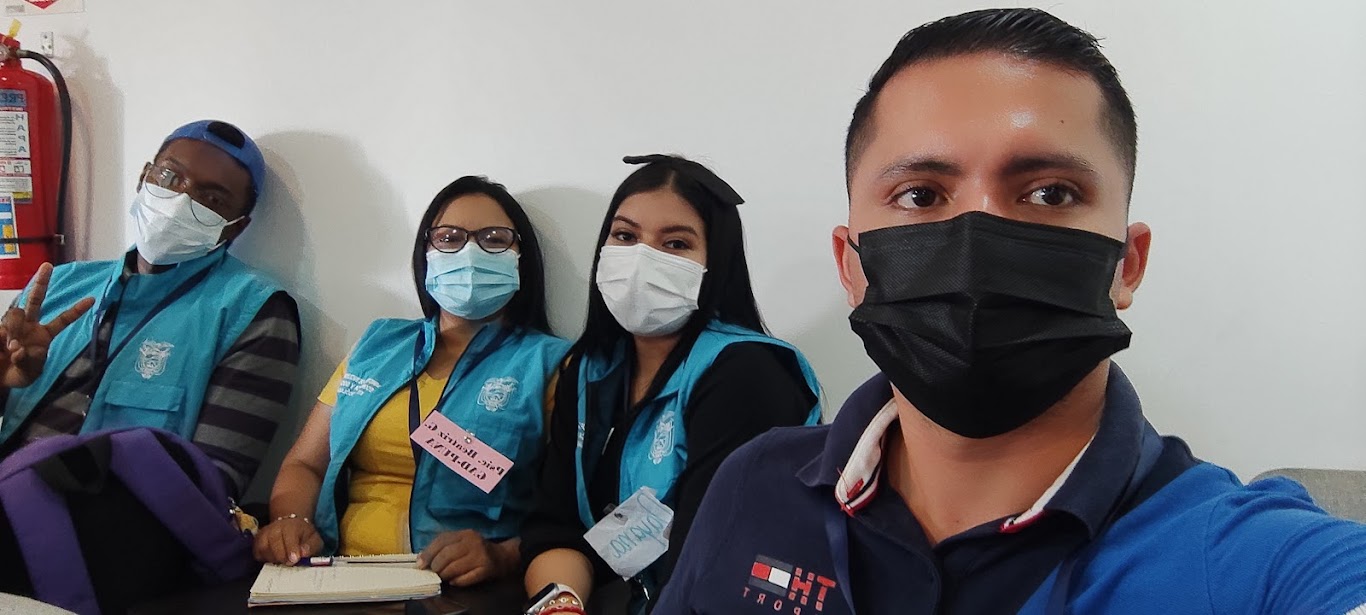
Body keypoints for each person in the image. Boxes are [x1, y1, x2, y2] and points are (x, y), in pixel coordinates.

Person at [657, 8, 1366, 615]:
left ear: (1127, 264)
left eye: (1050, 193)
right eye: (920, 195)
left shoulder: (1252, 562)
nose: (976, 241)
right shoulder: (754, 482)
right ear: (850, 266)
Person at [0, 119, 301, 611]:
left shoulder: (254, 312)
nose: (180, 199)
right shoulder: (58, 286)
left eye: (212, 198)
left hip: (117, 538)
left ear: (236, 227)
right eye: (170, 177)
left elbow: (208, 485)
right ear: (144, 177)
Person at [522, 155, 822, 614]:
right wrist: (561, 606)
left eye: (676, 243)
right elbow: (558, 531)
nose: (642, 258)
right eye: (626, 236)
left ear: (715, 264)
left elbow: (716, 563)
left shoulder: (747, 373)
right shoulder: (588, 370)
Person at [254, 176, 571, 587]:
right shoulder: (377, 345)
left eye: (494, 240)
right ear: (426, 255)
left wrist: (503, 556)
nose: (469, 253)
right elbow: (305, 463)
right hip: (338, 578)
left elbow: (570, 512)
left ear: (520, 259)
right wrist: (290, 520)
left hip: (458, 589)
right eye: (449, 238)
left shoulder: (552, 363)